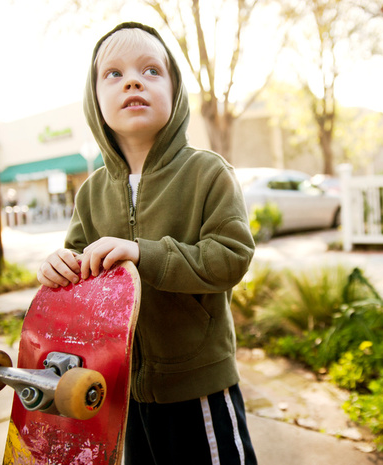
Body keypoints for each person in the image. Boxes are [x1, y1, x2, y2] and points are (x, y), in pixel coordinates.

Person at [37, 22, 258, 465]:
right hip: (120, 387)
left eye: (151, 70)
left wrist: (145, 253)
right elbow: (79, 267)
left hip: (197, 386)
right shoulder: (90, 192)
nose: (133, 80)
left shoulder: (207, 173)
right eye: (113, 74)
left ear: (175, 93)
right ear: (94, 100)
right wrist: (58, 266)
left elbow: (231, 257)